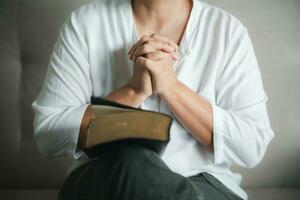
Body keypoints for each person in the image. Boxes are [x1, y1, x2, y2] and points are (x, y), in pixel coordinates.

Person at [31, 0, 274, 199]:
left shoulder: (227, 31)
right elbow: (48, 134)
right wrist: (133, 91)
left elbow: (251, 146)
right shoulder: (85, 24)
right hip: (105, 180)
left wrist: (171, 88)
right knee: (132, 161)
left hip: (203, 183)